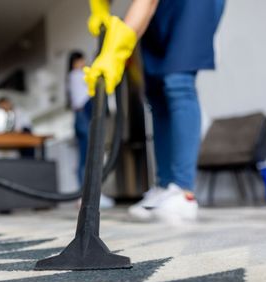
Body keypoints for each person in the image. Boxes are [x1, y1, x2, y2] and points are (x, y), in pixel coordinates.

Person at [84, 0, 225, 224]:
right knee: (156, 95)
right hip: (159, 10)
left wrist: (116, 51)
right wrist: (99, 7)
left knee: (178, 82)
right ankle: (164, 187)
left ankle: (182, 190)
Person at [67, 51, 115, 209]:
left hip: (80, 118)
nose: (84, 63)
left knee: (85, 157)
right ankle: (89, 196)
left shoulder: (72, 77)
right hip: (83, 117)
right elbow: (95, 83)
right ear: (75, 61)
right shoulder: (76, 75)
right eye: (82, 60)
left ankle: (86, 195)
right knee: (90, 156)